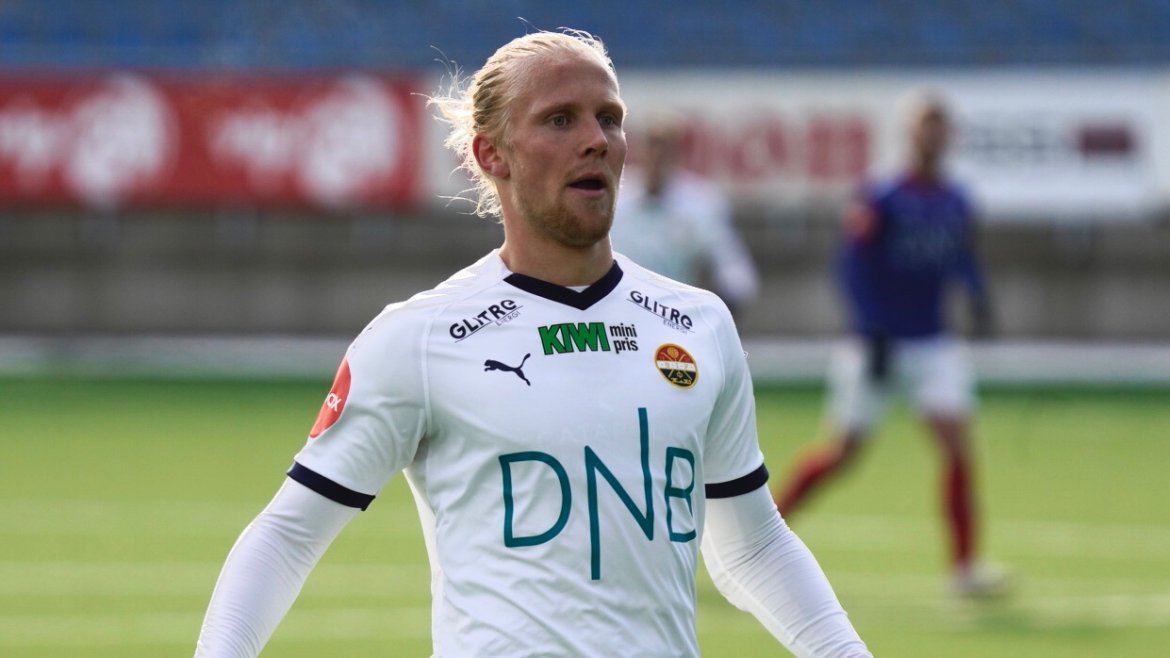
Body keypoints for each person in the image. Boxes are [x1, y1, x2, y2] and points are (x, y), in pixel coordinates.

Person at [194, 29, 871, 657]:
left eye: (609, 118)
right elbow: (288, 536)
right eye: (560, 120)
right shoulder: (420, 339)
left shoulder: (698, 325)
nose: (596, 140)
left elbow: (751, 548)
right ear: (492, 154)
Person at [773, 93, 1007, 599]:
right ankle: (761, 536)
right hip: (876, 342)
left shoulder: (956, 199)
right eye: (925, 126)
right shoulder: (881, 195)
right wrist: (871, 327)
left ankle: (964, 570)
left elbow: (962, 256)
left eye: (940, 127)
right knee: (842, 453)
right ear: (910, 134)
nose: (933, 136)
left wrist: (978, 296)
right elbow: (852, 268)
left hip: (931, 342)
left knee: (957, 447)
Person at [611, 114, 760, 317]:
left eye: (666, 147)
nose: (657, 155)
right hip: (619, 314)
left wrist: (720, 307)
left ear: (678, 153)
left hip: (676, 316)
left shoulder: (701, 203)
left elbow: (735, 270)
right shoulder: (614, 196)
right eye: (652, 145)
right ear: (638, 148)